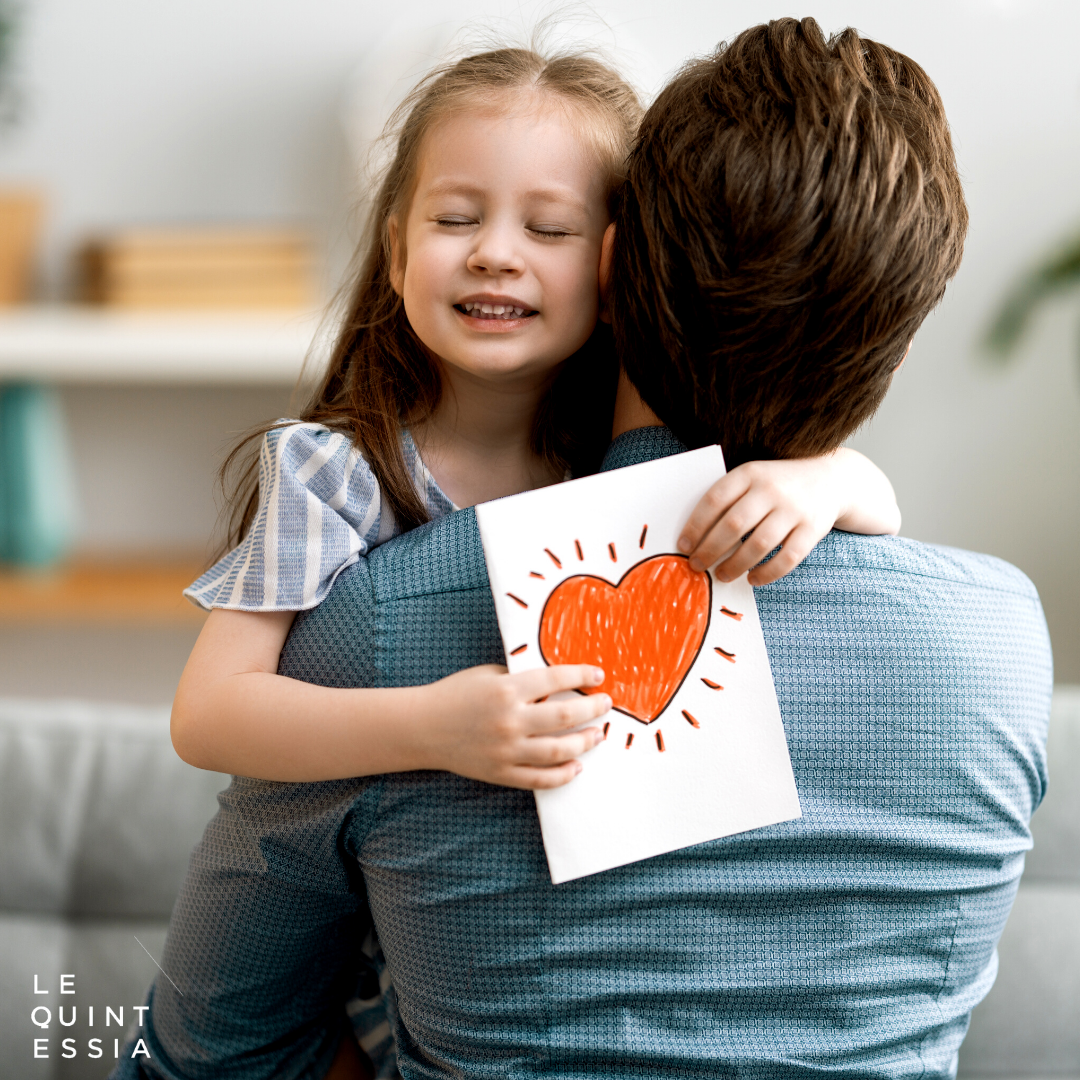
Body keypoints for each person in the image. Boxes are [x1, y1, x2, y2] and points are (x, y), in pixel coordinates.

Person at [119, 17, 1051, 1080]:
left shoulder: (382, 616)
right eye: (456, 217)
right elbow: (211, 711)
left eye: (547, 227)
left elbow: (203, 1050)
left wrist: (831, 478)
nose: (496, 254)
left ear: (610, 268)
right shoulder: (1007, 643)